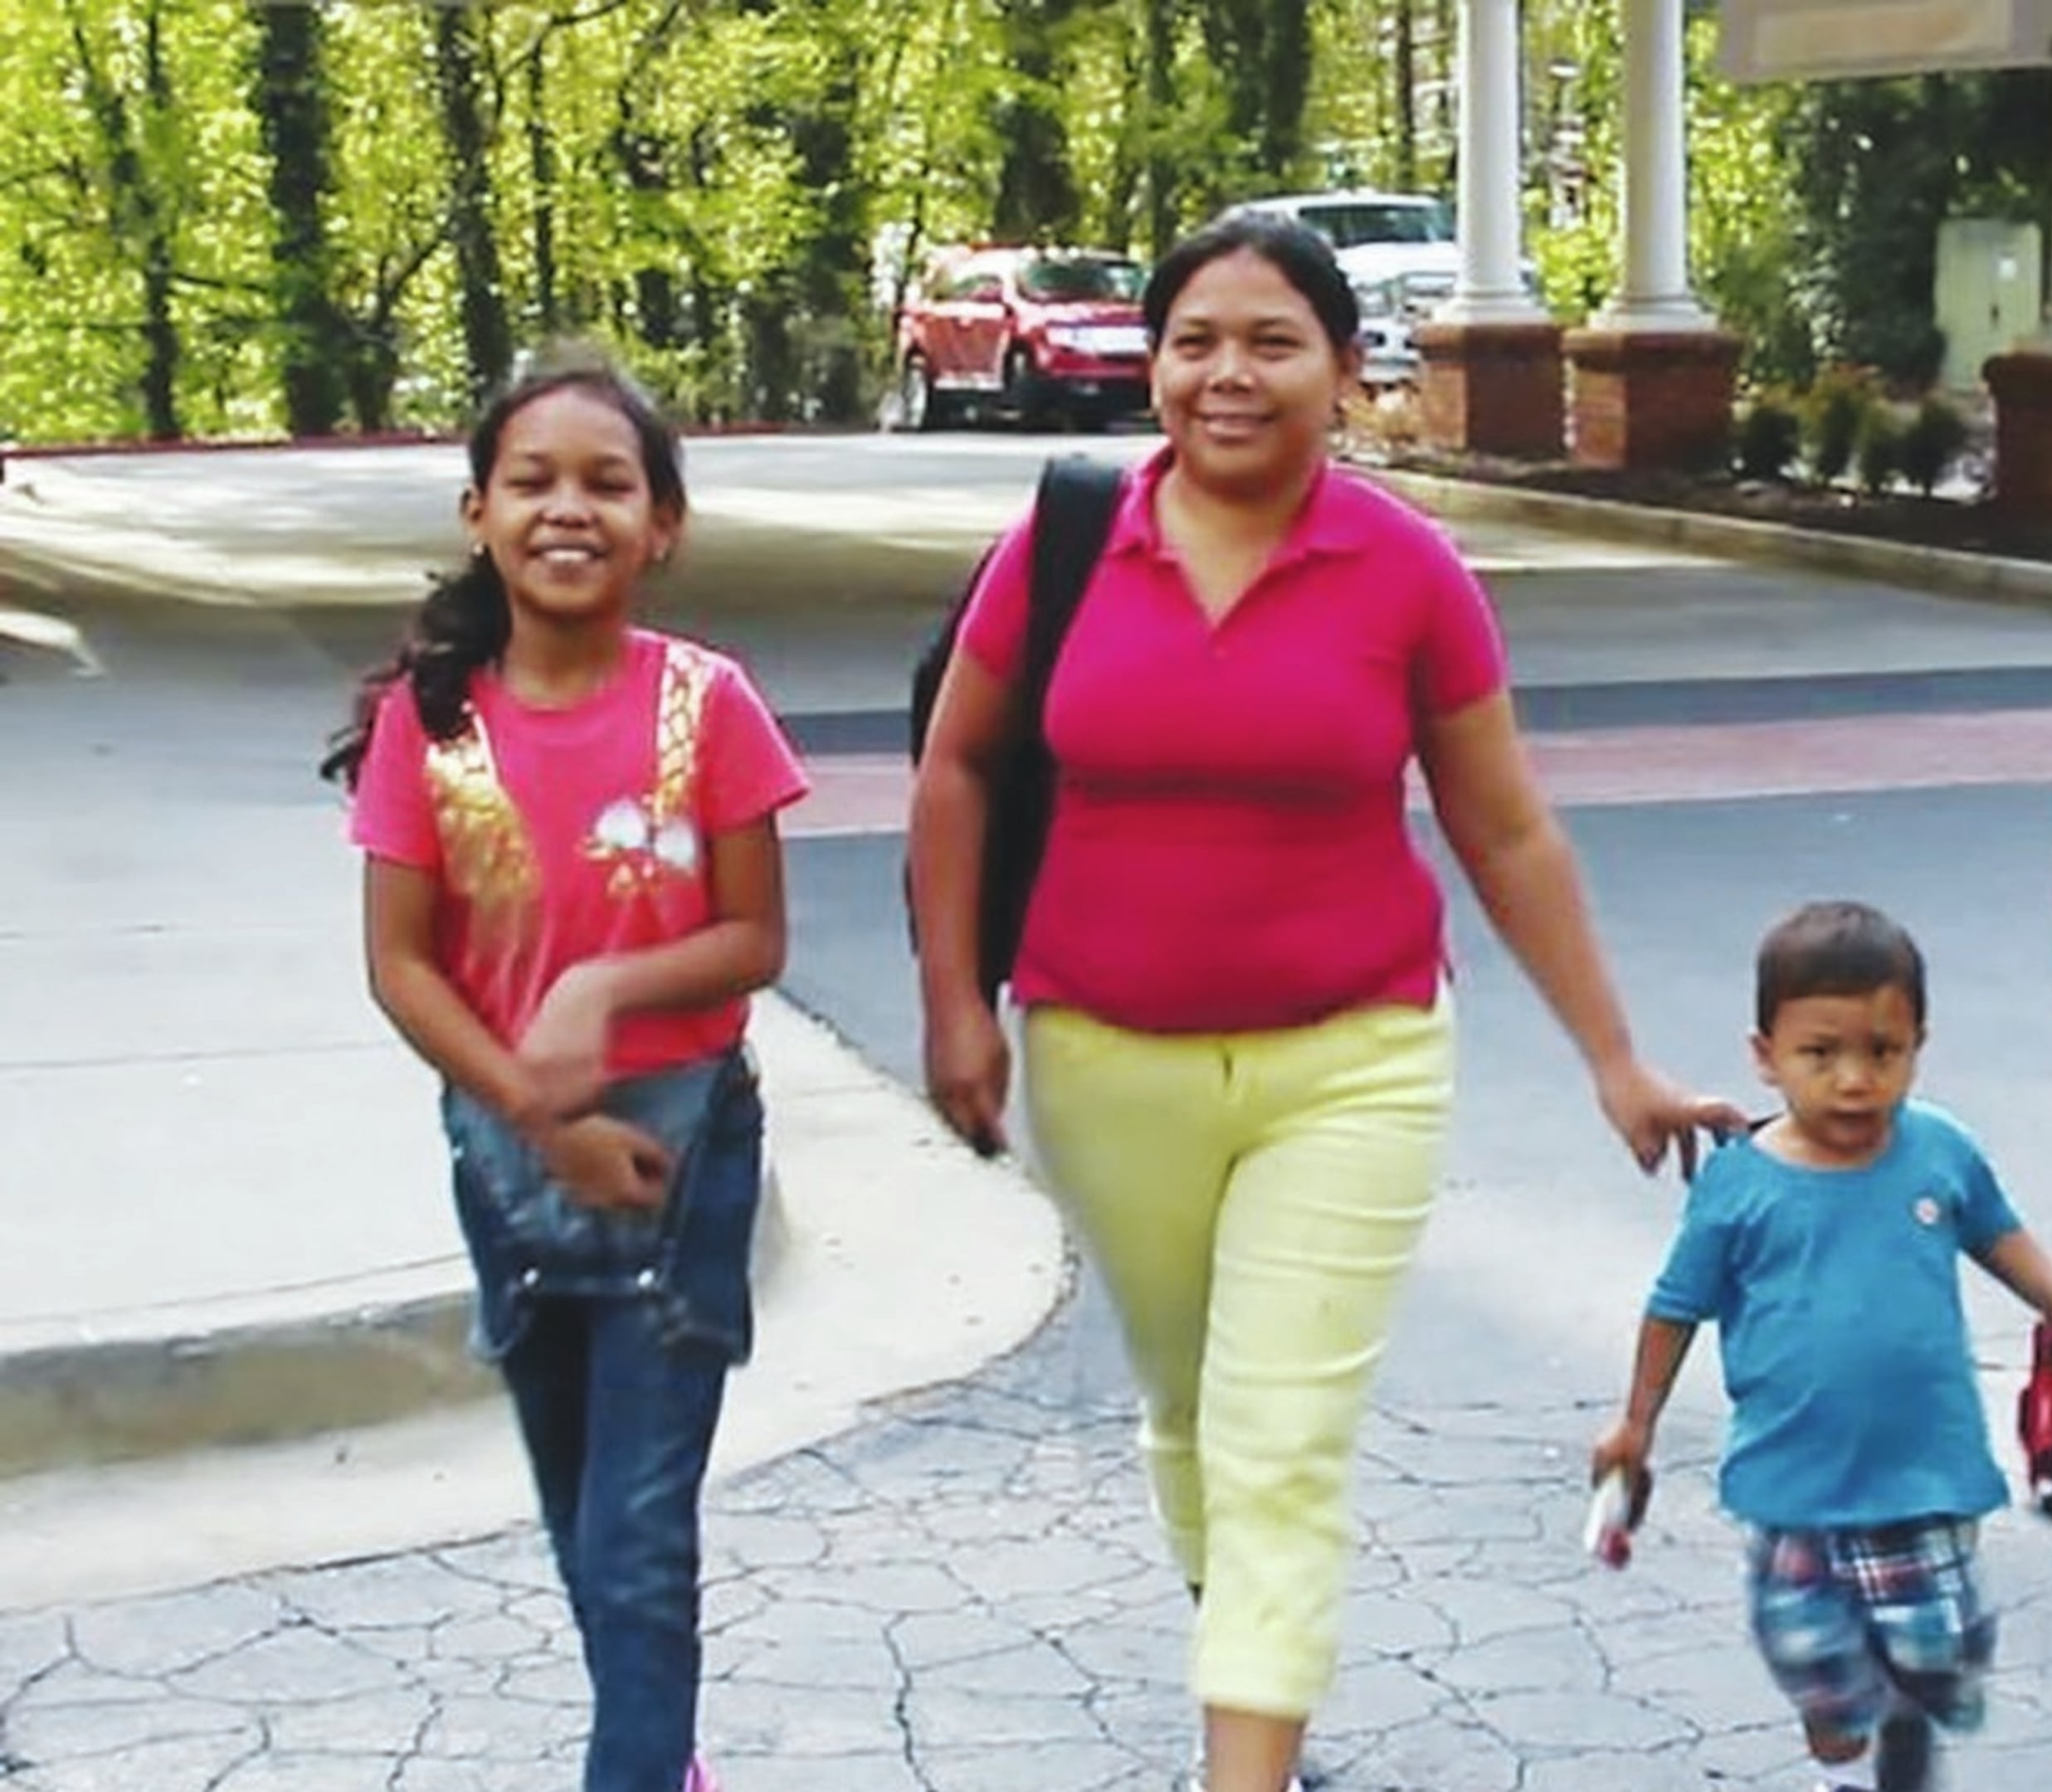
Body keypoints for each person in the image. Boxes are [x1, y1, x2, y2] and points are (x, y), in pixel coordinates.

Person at [905, 210, 1739, 1792]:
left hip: (1353, 1061)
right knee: (1191, 1413)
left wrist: (1612, 1057)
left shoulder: (1407, 570)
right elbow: (956, 768)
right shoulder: (1069, 542)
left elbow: (1504, 826)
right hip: (1100, 1052)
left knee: (1279, 1443)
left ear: (1348, 373)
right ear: (1153, 364)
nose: (1230, 376)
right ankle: (1258, 1658)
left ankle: (1249, 1760)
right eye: (1196, 341)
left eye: (1273, 343)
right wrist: (957, 1004)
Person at [324, 345, 808, 1792]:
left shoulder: (707, 705)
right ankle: (662, 1757)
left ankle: (639, 1767)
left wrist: (607, 984)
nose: (568, 509)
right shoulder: (435, 722)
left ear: (663, 524)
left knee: (641, 1537)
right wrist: (541, 1117)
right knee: (580, 1514)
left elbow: (755, 934)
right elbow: (403, 965)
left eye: (609, 483)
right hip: (510, 1165)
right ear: (478, 511)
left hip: (681, 1156)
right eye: (532, 481)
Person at [1590, 899, 2052, 1792]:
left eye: (1883, 1053)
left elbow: (1999, 1235)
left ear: (1917, 1045)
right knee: (1811, 1656)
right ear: (1766, 1057)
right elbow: (1675, 1307)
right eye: (1821, 1055)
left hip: (1922, 1475)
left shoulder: (1939, 1150)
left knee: (1935, 1659)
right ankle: (1844, 1714)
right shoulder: (1739, 1184)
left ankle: (1909, 1716)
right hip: (1794, 1487)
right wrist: (1635, 1426)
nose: (1854, 1081)